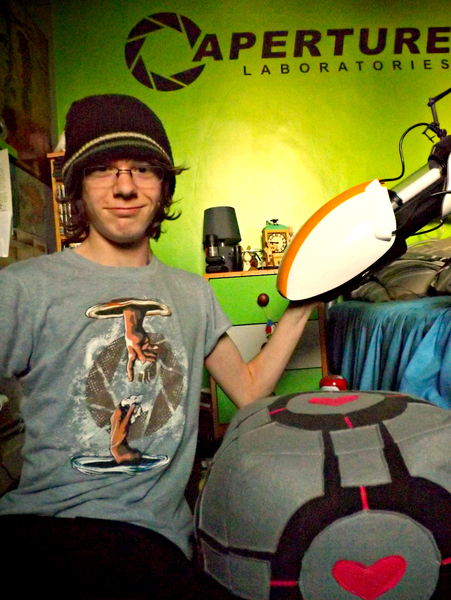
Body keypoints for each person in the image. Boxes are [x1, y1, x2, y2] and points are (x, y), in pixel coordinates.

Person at [0, 94, 316, 599]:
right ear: (76, 186)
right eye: (103, 169)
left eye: (143, 169)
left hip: (147, 542)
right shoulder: (23, 287)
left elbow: (249, 391)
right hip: (42, 530)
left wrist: (304, 304)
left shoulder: (193, 293)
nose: (125, 186)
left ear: (164, 186)